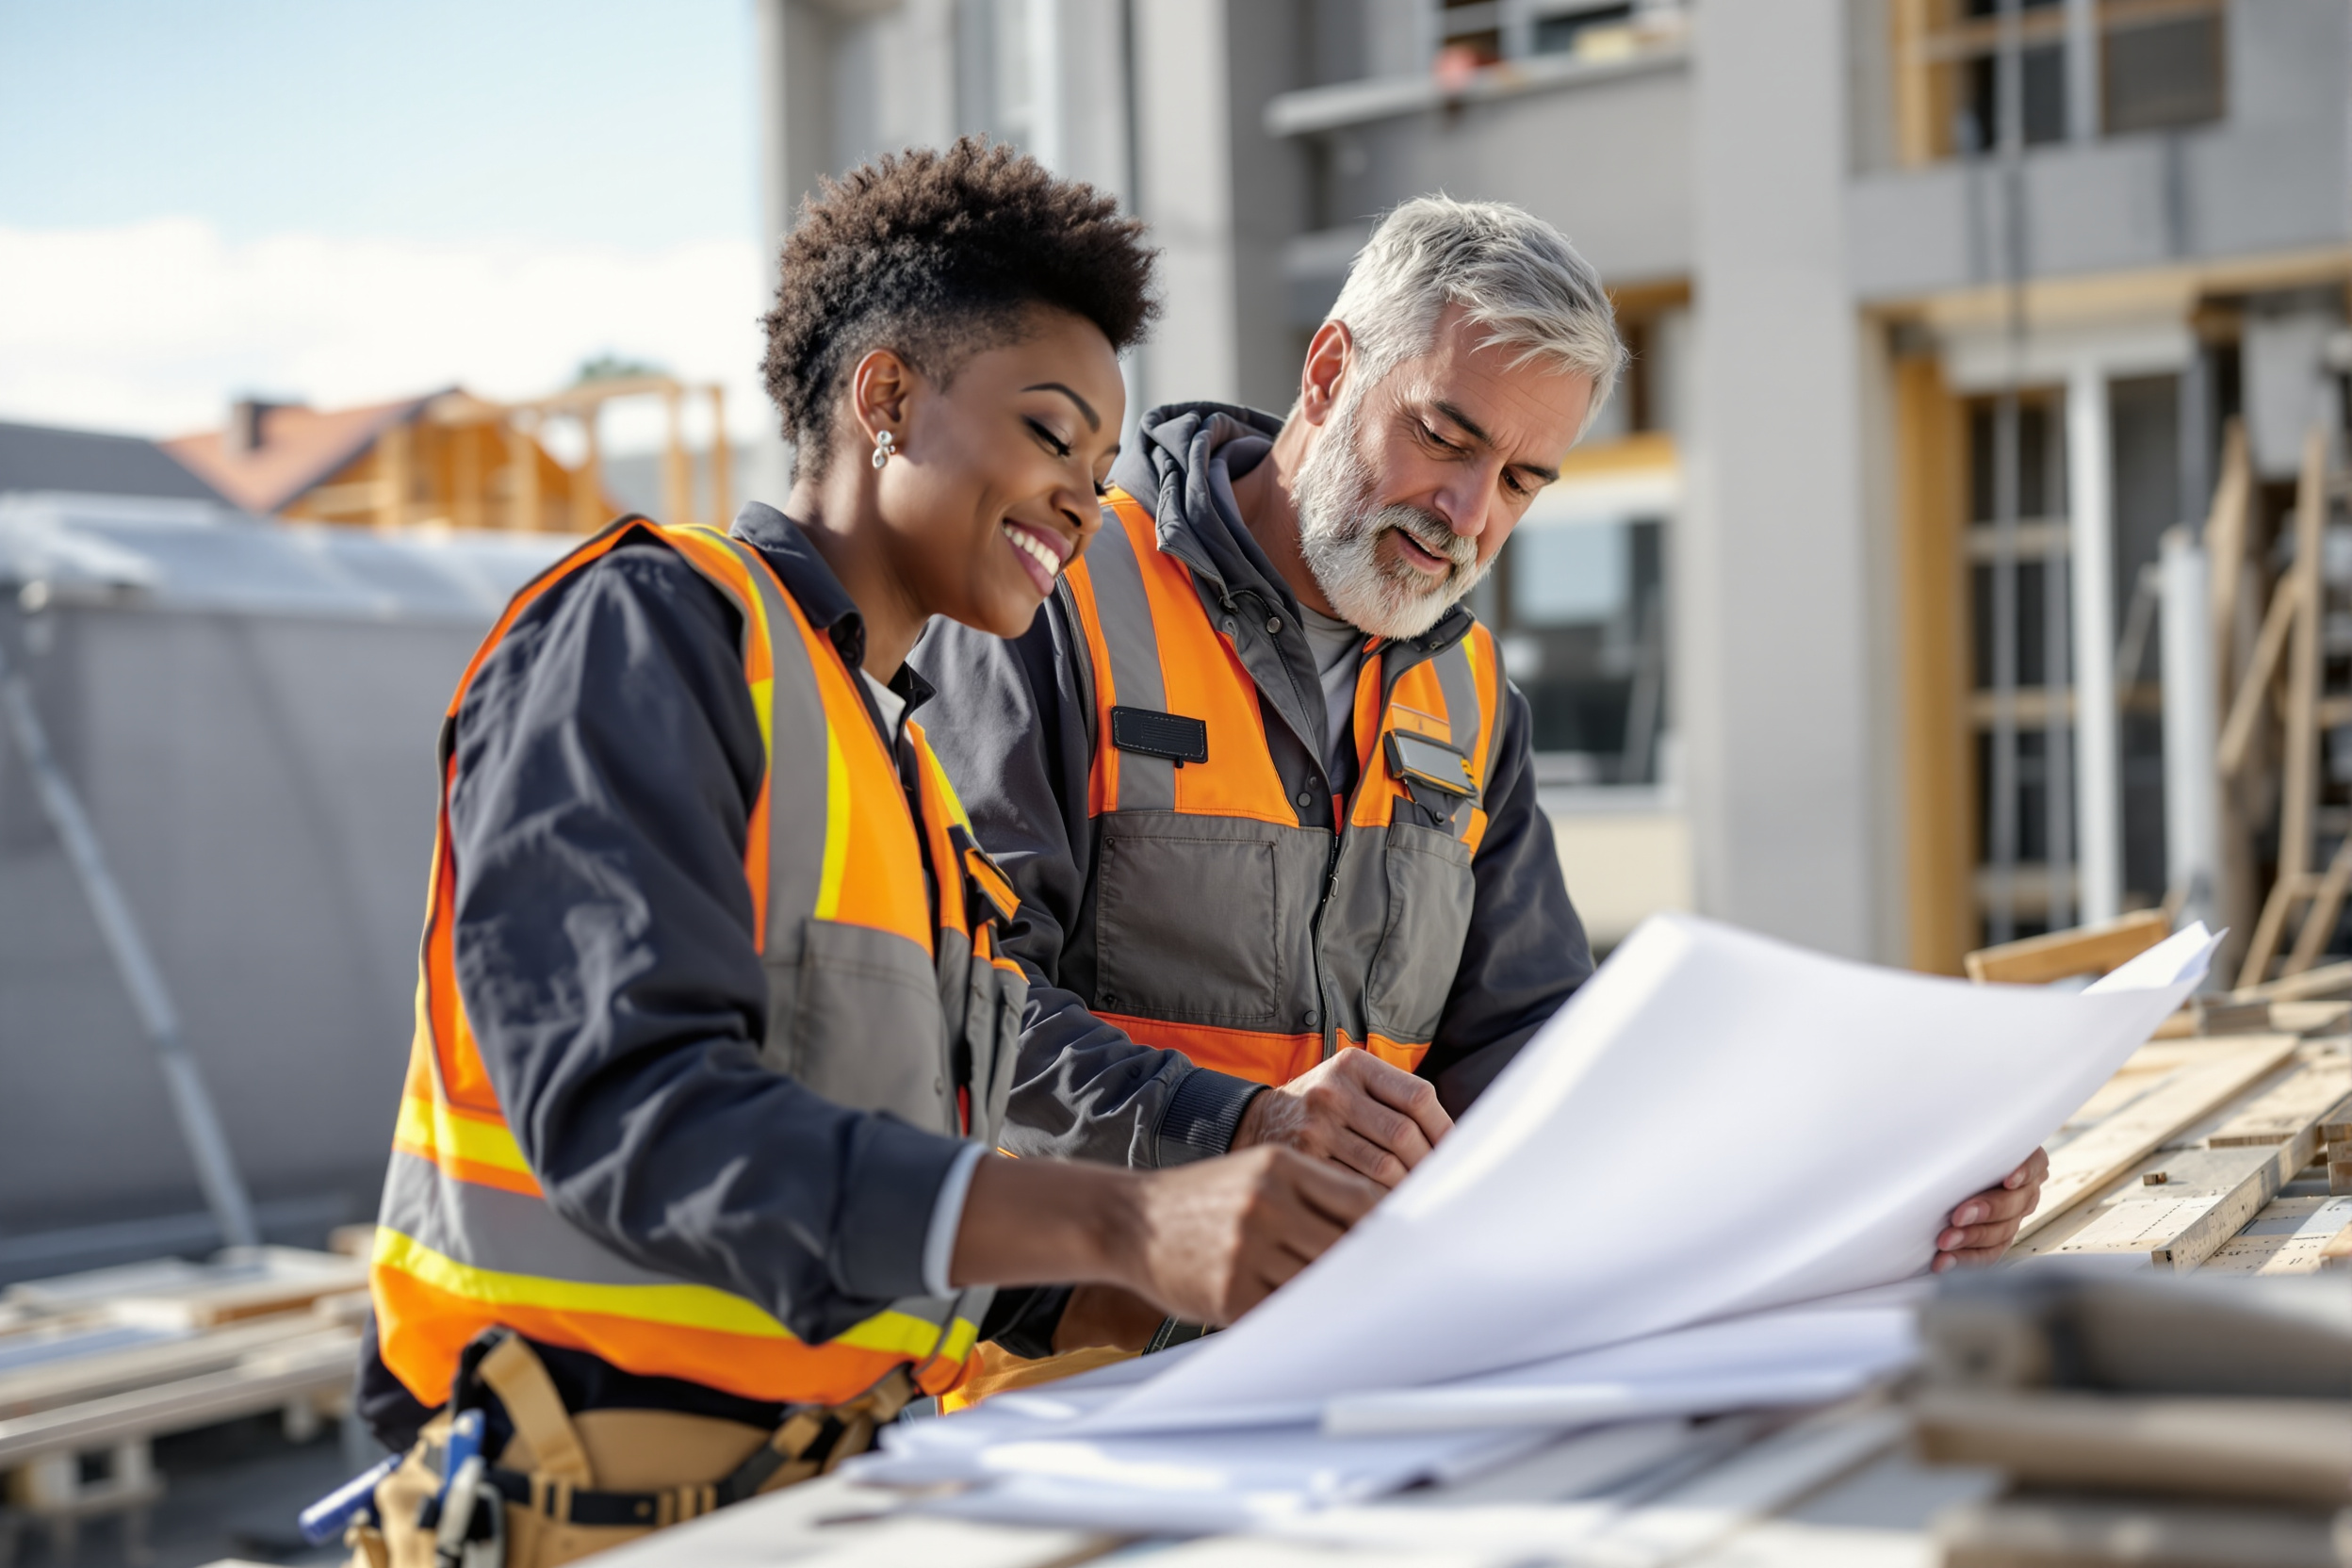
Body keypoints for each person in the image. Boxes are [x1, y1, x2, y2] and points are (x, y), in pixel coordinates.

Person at [350, 140, 1380, 1568]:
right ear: (885, 398)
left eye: (1099, 462)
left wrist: (1194, 1264)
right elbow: (636, 1120)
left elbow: (885, 1200)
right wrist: (1132, 1225)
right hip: (575, 1507)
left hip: (808, 1501)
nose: (1086, 499)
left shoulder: (906, 783)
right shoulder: (649, 630)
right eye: (1049, 431)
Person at [914, 196, 2051, 1371]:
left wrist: (1887, 1169)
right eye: (1447, 437)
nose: (1469, 515)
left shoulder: (1464, 687)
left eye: (1522, 481)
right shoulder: (1055, 600)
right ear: (1329, 369)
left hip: (1364, 1373)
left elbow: (1537, 1056)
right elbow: (951, 1008)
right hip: (1079, 1395)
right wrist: (1236, 1122)